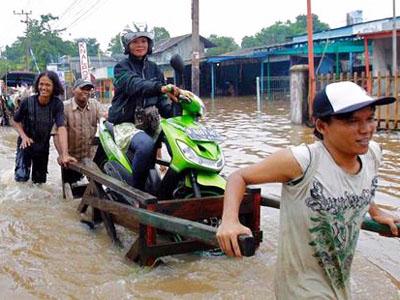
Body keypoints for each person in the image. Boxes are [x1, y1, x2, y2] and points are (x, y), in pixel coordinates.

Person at [216, 81, 399, 299]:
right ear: (322, 126)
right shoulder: (303, 161)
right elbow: (239, 176)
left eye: (370, 118)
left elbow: (360, 185)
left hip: (339, 284)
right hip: (301, 290)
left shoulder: (372, 154)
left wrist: (376, 212)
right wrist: (229, 221)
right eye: (352, 121)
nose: (366, 129)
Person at [107, 26, 181, 190]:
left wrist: (177, 105)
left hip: (151, 122)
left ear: (149, 44)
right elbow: (134, 84)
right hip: (126, 124)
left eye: (144, 41)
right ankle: (137, 191)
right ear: (127, 45)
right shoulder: (121, 68)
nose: (140, 45)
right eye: (135, 42)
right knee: (146, 145)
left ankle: (175, 186)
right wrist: (161, 87)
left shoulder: (154, 68)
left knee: (180, 138)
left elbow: (162, 103)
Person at [13, 71, 75, 184]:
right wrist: (23, 136)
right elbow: (15, 121)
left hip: (42, 147)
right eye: (41, 84)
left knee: (39, 183)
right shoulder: (27, 102)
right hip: (25, 145)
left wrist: (64, 154)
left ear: (54, 87)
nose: (43, 88)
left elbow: (61, 128)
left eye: (48, 85)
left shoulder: (57, 104)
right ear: (37, 85)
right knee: (21, 180)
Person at [54, 78, 103, 185]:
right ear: (73, 90)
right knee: (70, 186)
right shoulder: (64, 107)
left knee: (95, 186)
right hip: (71, 158)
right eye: (82, 88)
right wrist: (62, 155)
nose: (86, 91)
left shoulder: (95, 104)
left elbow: (104, 120)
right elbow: (57, 133)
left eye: (89, 89)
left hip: (90, 156)